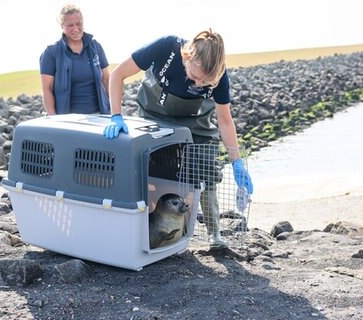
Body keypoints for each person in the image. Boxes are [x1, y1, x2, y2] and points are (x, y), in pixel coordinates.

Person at [104, 29, 253, 248]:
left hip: (195, 122)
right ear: (187, 56)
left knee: (206, 171)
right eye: (194, 77)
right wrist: (116, 116)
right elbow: (118, 75)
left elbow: (225, 119)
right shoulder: (166, 47)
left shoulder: (219, 75)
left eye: (205, 83)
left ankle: (215, 234)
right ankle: (146, 231)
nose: (198, 84)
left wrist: (237, 161)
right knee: (153, 171)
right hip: (154, 115)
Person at [39, 4, 110, 115]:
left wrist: (116, 112)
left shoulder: (95, 47)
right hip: (70, 121)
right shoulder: (51, 53)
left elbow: (107, 80)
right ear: (62, 26)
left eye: (78, 24)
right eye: (70, 25)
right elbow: (47, 89)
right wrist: (53, 120)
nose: (75, 29)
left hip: (101, 115)